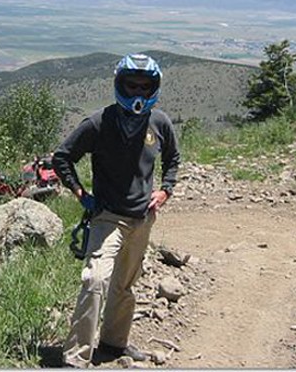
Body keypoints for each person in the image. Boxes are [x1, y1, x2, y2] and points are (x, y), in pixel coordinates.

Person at [53, 53, 181, 368]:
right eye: (131, 85)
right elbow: (62, 157)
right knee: (95, 280)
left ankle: (113, 344)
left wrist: (165, 190)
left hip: (143, 219)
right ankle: (75, 357)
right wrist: (81, 194)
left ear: (154, 88)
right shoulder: (100, 122)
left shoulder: (159, 122)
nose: (138, 92)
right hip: (107, 217)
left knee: (124, 285)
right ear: (120, 85)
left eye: (144, 86)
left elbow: (173, 158)